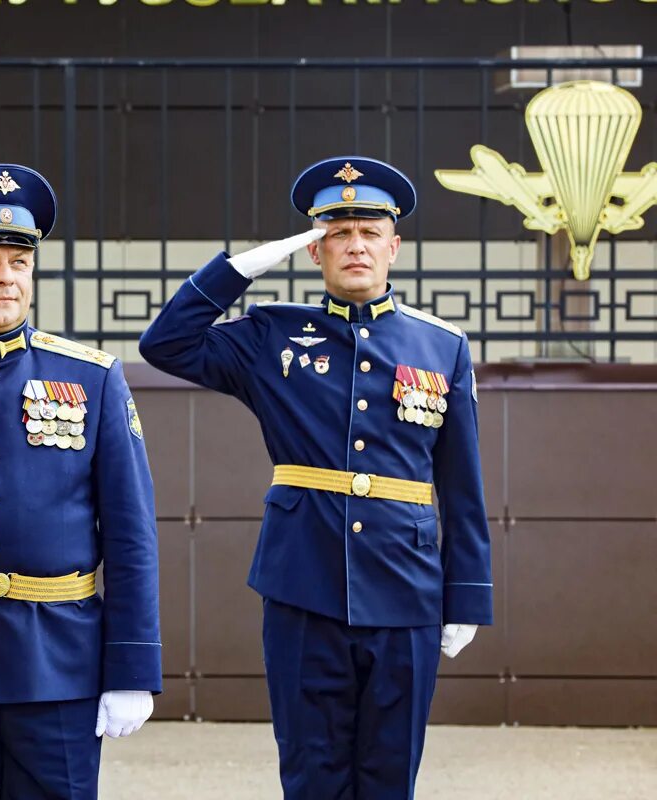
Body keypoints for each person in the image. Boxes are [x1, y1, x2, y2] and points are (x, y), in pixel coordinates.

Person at [139, 156, 493, 799]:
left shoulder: (442, 346)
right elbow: (166, 344)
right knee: (312, 772)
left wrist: (465, 593)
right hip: (302, 582)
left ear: (395, 245)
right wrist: (242, 267)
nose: (355, 245)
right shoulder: (271, 334)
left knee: (390, 776)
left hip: (407, 588)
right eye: (336, 232)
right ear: (312, 249)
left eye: (369, 230)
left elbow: (462, 485)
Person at [0, 163, 162, 799]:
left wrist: (132, 666)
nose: (5, 276)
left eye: (18, 263)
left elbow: (130, 534)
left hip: (60, 669)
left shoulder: (94, 377)